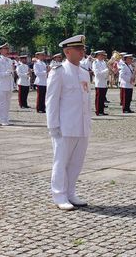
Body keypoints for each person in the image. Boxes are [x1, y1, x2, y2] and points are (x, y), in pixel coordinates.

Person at [46, 35, 91, 211]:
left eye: (83, 49)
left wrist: (88, 122)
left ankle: (71, 192)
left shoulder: (84, 72)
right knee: (61, 161)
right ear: (67, 51)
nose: (82, 52)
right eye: (79, 49)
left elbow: (85, 101)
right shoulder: (59, 72)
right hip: (64, 126)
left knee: (76, 162)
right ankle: (59, 195)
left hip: (81, 124)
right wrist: (53, 126)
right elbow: (51, 101)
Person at [0, 43, 14, 126]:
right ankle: (1, 119)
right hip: (1, 84)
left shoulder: (9, 60)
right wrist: (5, 74)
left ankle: (6, 118)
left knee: (8, 103)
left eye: (7, 49)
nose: (7, 50)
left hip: (9, 84)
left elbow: (11, 72)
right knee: (1, 103)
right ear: (0, 50)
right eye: (5, 49)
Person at [92, 50, 109, 116]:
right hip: (99, 82)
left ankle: (102, 111)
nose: (103, 56)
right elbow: (97, 73)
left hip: (104, 81)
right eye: (101, 55)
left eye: (103, 55)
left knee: (102, 98)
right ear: (98, 55)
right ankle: (98, 111)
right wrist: (106, 70)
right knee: (99, 98)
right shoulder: (95, 62)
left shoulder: (103, 62)